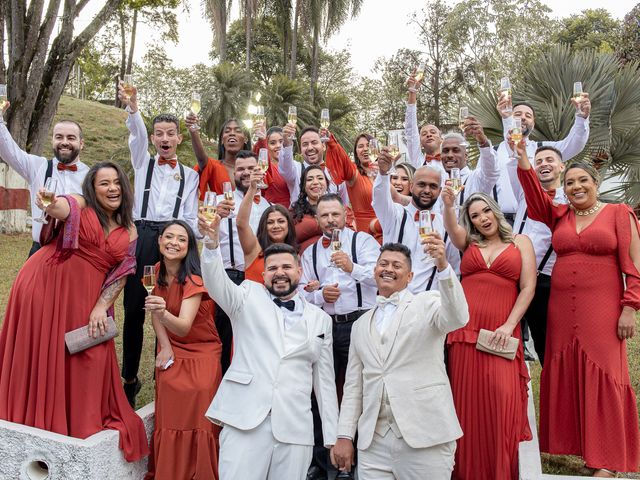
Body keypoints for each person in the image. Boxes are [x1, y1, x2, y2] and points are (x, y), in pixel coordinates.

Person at [0, 161, 149, 462]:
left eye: (116, 182)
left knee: (87, 355)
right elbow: (61, 207)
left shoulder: (130, 229)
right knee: (41, 348)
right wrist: (51, 201)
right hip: (45, 284)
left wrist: (101, 307)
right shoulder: (82, 204)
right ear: (93, 188)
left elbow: (122, 274)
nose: (112, 188)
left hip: (88, 298)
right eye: (104, 183)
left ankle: (77, 423)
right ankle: (28, 418)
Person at [515, 141, 640, 478]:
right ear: (564, 189)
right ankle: (588, 453)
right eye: (570, 183)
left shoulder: (618, 214)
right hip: (561, 310)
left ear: (596, 183)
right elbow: (533, 194)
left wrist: (630, 307)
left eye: (583, 180)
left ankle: (609, 461)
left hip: (601, 308)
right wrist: (523, 158)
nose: (577, 187)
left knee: (605, 374)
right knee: (571, 373)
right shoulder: (560, 215)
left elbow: (635, 266)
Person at [199, 215, 339, 480]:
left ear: (299, 272)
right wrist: (210, 245)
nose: (280, 273)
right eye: (273, 268)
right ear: (263, 275)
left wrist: (332, 437)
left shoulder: (320, 319)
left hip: (295, 428)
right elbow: (216, 282)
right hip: (245, 420)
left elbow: (325, 382)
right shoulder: (246, 296)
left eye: (287, 266)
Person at [331, 241, 469, 479]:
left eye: (397, 265)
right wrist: (345, 435)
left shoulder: (428, 303)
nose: (388, 269)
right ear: (374, 270)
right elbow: (354, 386)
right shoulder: (360, 325)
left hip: (425, 436)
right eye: (383, 263)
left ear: (410, 275)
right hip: (373, 443)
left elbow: (457, 317)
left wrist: (444, 267)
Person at [441, 188, 535, 479]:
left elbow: (528, 288)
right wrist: (448, 204)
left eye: (485, 211)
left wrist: (509, 325)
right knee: (465, 408)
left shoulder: (520, 242)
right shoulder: (468, 243)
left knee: (501, 404)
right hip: (465, 333)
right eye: (474, 215)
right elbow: (452, 228)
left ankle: (501, 473)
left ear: (496, 211)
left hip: (500, 332)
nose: (482, 218)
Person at [118, 83, 200, 407]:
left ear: (179, 137)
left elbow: (191, 216)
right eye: (159, 134)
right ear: (153, 138)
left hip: (175, 240)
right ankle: (129, 378)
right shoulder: (143, 162)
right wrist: (134, 108)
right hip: (143, 238)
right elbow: (135, 134)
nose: (164, 139)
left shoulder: (190, 176)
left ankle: (163, 373)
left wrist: (184, 243)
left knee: (168, 309)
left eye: (170, 133)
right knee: (135, 309)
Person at [143, 220, 223, 479]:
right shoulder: (155, 270)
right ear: (159, 240)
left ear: (189, 247)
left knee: (199, 396)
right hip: (173, 345)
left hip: (202, 349)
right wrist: (164, 347)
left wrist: (162, 311)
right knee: (168, 391)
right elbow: (155, 313)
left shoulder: (194, 279)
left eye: (181, 239)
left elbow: (184, 326)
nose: (173, 243)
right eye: (169, 237)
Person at [0, 101, 89, 256]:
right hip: (41, 251)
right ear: (53, 141)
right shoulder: (38, 167)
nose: (64, 142)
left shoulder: (91, 175)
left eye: (71, 138)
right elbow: (8, 151)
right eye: (59, 137)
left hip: (77, 253)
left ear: (81, 144)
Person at [506, 146, 567, 365]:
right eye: (538, 161)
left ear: (562, 166)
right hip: (514, 273)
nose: (543, 164)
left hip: (546, 280)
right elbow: (515, 162)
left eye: (549, 159)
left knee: (546, 341)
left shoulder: (569, 198)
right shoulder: (524, 193)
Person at [492, 94, 591, 226]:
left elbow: (574, 144)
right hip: (499, 221)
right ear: (509, 117)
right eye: (518, 114)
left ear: (533, 123)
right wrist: (506, 118)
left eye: (528, 116)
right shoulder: (492, 152)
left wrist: (581, 118)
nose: (522, 117)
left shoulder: (543, 150)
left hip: (535, 220)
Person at [213, 150, 271, 374]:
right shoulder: (221, 201)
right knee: (226, 337)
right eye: (242, 169)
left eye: (251, 168)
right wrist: (215, 218)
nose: (247, 173)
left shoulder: (267, 205)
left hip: (259, 279)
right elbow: (203, 237)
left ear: (259, 170)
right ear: (234, 173)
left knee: (255, 337)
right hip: (230, 276)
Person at [373, 148, 461, 288]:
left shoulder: (445, 224)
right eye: (422, 184)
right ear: (412, 186)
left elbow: (454, 268)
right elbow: (379, 198)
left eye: (433, 186)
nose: (427, 190)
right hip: (395, 299)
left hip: (428, 303)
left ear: (439, 191)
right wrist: (383, 173)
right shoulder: (395, 215)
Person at [236, 168, 298, 283]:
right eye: (270, 222)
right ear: (264, 227)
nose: (276, 226)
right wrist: (252, 188)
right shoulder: (255, 250)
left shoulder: (295, 255)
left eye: (281, 221)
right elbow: (241, 224)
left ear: (289, 225)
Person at [279, 124, 350, 206]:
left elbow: (345, 206)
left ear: (323, 146)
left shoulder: (336, 174)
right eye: (305, 144)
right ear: (301, 151)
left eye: (314, 142)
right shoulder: (295, 169)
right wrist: (287, 143)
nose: (310, 148)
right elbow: (284, 167)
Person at [436, 128, 500, 213]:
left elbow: (491, 170)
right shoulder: (438, 183)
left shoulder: (477, 178)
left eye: (455, 150)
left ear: (466, 156)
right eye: (445, 151)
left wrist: (483, 142)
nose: (450, 155)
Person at [189, 116, 251, 199]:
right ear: (222, 140)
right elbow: (201, 158)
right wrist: (194, 132)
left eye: (238, 131)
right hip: (221, 211)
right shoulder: (214, 166)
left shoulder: (254, 168)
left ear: (245, 139)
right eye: (227, 131)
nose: (232, 133)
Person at [404, 72, 445, 171]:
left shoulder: (451, 163)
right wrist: (412, 92)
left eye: (433, 132)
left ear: (441, 139)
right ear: (420, 143)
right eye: (424, 134)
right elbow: (411, 131)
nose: (429, 135)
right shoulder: (417, 162)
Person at [290, 165, 328, 253]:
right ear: (304, 186)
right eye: (310, 179)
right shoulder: (294, 212)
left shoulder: (339, 208)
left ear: (326, 183)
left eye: (320, 178)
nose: (315, 182)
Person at [252, 124, 291, 207]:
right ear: (267, 146)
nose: (278, 146)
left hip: (294, 215)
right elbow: (259, 153)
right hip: (273, 213)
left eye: (281, 141)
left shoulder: (295, 166)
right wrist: (262, 141)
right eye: (272, 143)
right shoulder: (266, 168)